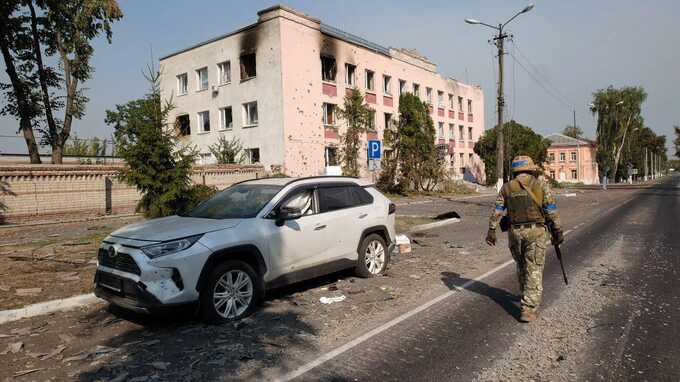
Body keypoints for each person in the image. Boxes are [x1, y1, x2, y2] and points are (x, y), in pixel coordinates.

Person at [485, 155, 564, 322]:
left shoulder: (507, 188)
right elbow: (551, 209)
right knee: (533, 269)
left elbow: (498, 210)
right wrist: (557, 230)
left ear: (514, 169)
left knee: (521, 266)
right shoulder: (540, 184)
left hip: (515, 234)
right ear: (530, 168)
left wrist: (491, 230)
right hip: (535, 233)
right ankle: (528, 308)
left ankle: (525, 295)